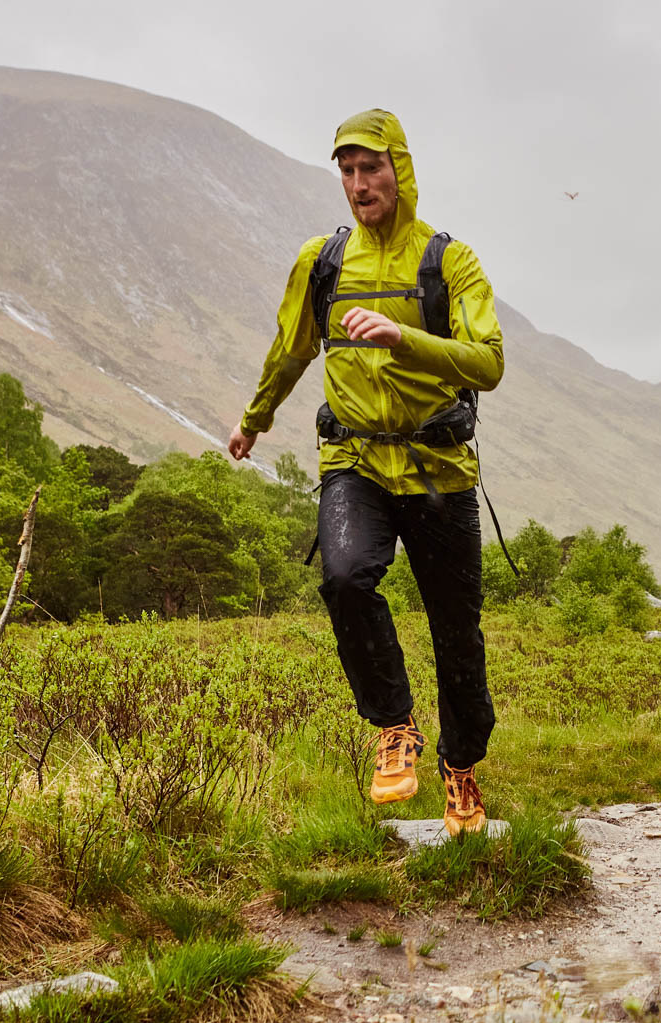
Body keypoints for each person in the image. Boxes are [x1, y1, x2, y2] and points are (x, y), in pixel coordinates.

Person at [227, 108, 504, 836]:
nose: (358, 184)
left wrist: (403, 337)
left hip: (439, 466)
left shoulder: (449, 262)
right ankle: (394, 725)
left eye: (370, 168)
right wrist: (254, 419)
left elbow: (488, 363)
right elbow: (292, 349)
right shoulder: (322, 261)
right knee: (346, 578)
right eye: (347, 172)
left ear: (398, 170)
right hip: (353, 460)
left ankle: (461, 767)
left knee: (456, 630)